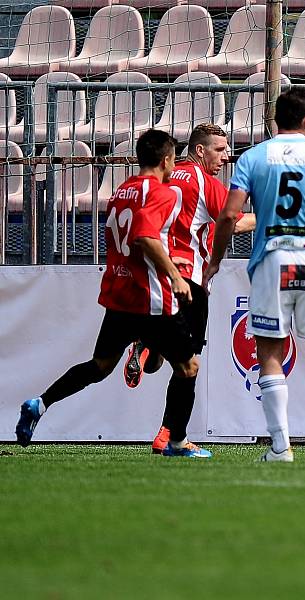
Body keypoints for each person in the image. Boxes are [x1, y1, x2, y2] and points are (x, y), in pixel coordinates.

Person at [14, 129, 212, 458]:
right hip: (149, 297)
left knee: (99, 366)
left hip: (119, 293)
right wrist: (175, 274)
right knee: (189, 366)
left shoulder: (122, 191)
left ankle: (40, 403)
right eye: (173, 159)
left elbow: (133, 237)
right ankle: (177, 442)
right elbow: (145, 238)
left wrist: (161, 253)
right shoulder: (162, 193)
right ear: (166, 160)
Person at [203, 88, 305, 463]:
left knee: (270, 352)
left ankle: (280, 447)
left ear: (275, 121)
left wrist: (215, 260)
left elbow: (228, 216)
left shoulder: (254, 157)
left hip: (272, 259)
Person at [121, 123, 255, 454]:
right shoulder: (203, 181)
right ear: (199, 150)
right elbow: (233, 220)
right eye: (220, 150)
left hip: (157, 273)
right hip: (189, 278)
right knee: (189, 365)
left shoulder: (165, 177)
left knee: (171, 357)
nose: (226, 157)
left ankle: (148, 346)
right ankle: (170, 436)